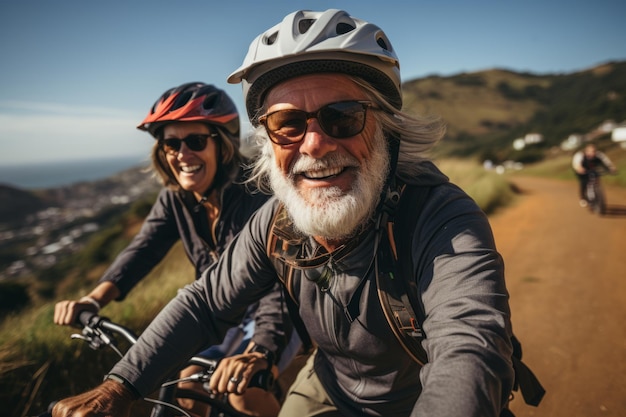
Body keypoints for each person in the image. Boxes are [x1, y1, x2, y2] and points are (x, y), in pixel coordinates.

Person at [52, 9, 515, 417]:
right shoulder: (276, 222)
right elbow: (205, 303)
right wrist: (120, 386)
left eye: (343, 116)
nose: (314, 145)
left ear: (388, 129)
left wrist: (263, 351)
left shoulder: (442, 217)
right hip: (329, 386)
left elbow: (469, 345)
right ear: (268, 142)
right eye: (287, 124)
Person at [53, 82, 294, 417]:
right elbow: (143, 249)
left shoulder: (256, 195)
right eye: (171, 143)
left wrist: (260, 350)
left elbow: (276, 285)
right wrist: (93, 300)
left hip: (275, 309)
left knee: (245, 392)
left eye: (195, 141)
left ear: (222, 145)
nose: (182, 154)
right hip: (220, 311)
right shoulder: (175, 198)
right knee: (186, 388)